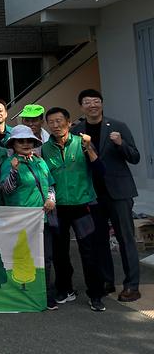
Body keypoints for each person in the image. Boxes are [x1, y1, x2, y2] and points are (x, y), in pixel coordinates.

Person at [72, 88, 142, 302]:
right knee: (99, 239)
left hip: (119, 192)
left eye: (96, 101)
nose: (92, 105)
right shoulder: (77, 130)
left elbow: (135, 157)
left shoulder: (118, 126)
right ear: (81, 106)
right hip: (92, 193)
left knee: (125, 238)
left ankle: (132, 285)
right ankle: (106, 281)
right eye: (87, 102)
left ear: (102, 103)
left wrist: (121, 144)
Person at [41, 107, 106, 312]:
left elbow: (100, 170)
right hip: (58, 208)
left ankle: (95, 294)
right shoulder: (44, 149)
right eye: (51, 122)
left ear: (69, 122)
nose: (56, 125)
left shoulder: (81, 142)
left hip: (82, 204)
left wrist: (90, 149)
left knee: (88, 251)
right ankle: (64, 289)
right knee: (60, 253)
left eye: (59, 120)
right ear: (47, 125)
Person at [0, 125, 58, 310]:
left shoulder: (40, 162)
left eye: (28, 141)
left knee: (46, 258)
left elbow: (50, 185)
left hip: (43, 218)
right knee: (22, 257)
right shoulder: (9, 163)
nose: (25, 144)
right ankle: (22, 294)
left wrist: (51, 199)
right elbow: (6, 189)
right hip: (21, 220)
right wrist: (14, 171)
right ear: (13, 144)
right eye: (21, 141)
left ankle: (46, 294)